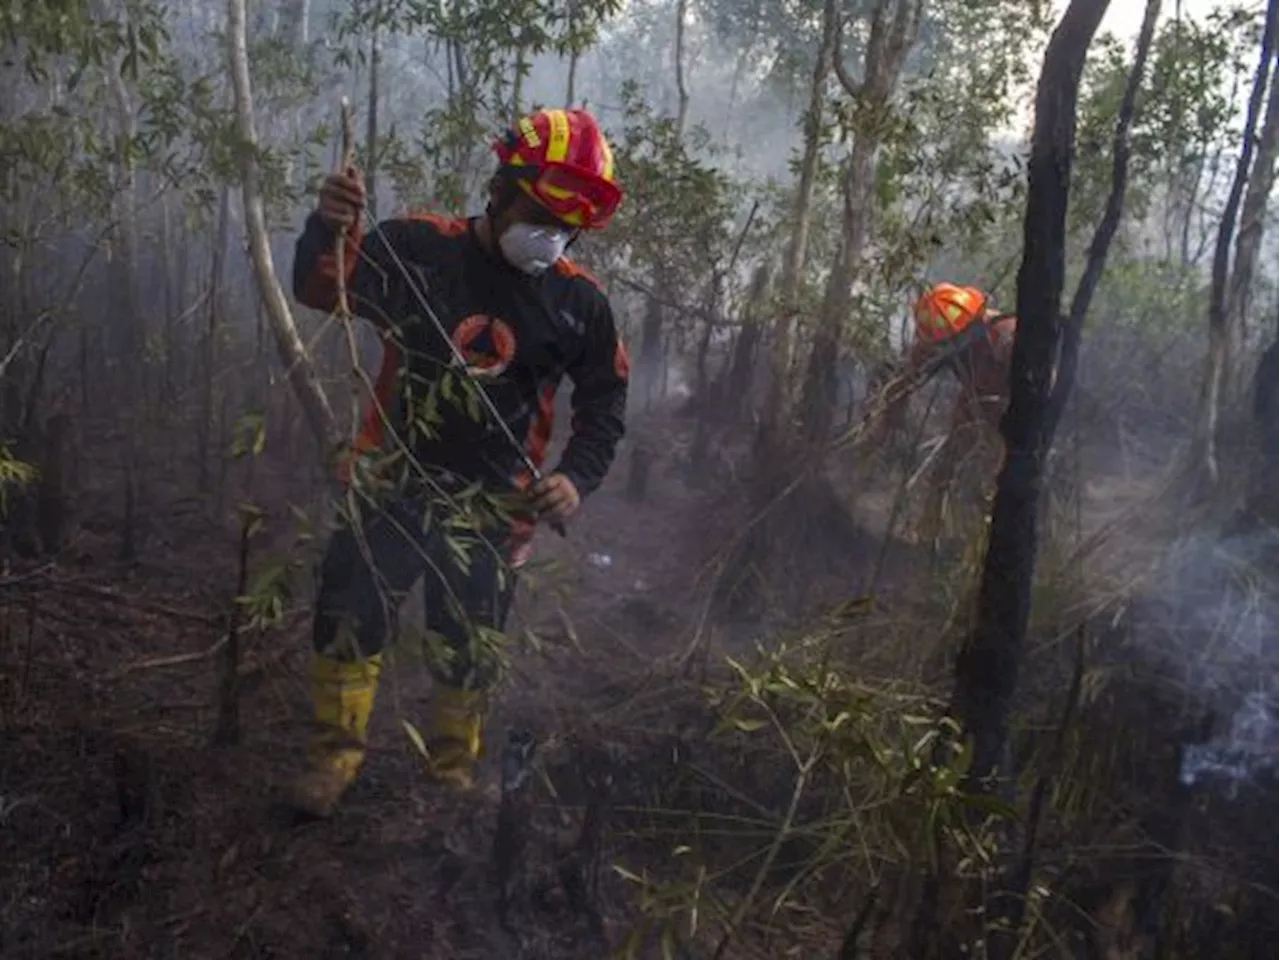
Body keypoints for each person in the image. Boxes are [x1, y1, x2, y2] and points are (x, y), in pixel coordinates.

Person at [286, 108, 630, 818]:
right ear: (500, 190)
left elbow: (605, 405)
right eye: (539, 214)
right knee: (351, 611)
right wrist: (327, 224)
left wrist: (576, 478)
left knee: (467, 640)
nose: (549, 238)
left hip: (496, 504)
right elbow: (323, 288)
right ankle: (332, 760)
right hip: (392, 476)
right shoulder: (417, 247)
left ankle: (450, 772)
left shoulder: (580, 304)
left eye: (566, 228)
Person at [869, 282, 1016, 543]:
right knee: (946, 465)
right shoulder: (939, 335)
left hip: (1011, 408)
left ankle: (992, 537)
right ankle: (929, 533)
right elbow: (906, 380)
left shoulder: (1007, 338)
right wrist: (884, 427)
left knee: (1005, 479)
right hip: (975, 401)